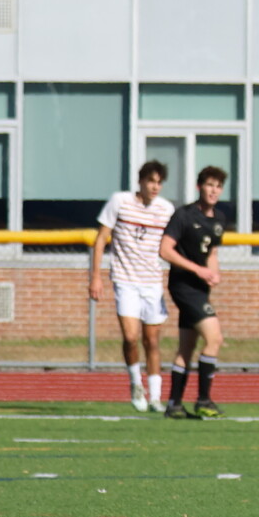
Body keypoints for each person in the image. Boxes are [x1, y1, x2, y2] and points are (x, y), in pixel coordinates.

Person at [90, 159, 174, 414]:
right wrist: (95, 276)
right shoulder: (120, 201)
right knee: (130, 337)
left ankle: (156, 396)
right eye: (151, 181)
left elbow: (172, 244)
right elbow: (100, 239)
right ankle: (136, 384)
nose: (155, 187)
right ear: (140, 181)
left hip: (152, 283)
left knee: (152, 340)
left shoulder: (166, 209)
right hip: (125, 281)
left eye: (159, 183)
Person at [159, 166, 231, 419]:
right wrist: (197, 270)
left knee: (186, 348)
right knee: (215, 338)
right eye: (209, 185)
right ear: (199, 187)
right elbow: (165, 250)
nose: (214, 190)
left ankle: (174, 405)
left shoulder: (219, 219)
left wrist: (213, 273)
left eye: (218, 186)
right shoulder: (184, 215)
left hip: (200, 289)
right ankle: (204, 400)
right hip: (183, 286)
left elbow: (212, 253)